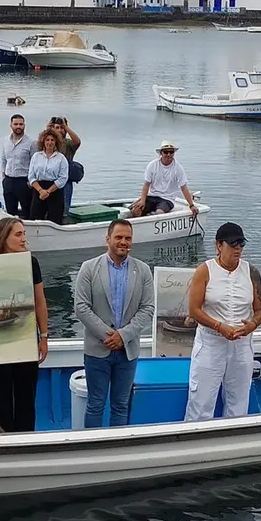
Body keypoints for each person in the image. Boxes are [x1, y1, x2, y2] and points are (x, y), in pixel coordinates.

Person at [74, 219, 155, 427]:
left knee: (121, 404)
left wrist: (124, 336)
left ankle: (117, 448)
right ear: (108, 239)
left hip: (127, 351)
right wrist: (108, 335)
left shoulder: (143, 270)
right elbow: (81, 307)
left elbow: (148, 309)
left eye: (128, 238)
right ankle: (92, 448)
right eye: (118, 237)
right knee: (95, 404)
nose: (123, 242)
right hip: (97, 351)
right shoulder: (89, 268)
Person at [183, 223, 261, 422]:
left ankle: (232, 444)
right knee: (201, 401)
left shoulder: (251, 272)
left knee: (238, 401)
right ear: (219, 245)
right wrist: (219, 327)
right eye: (233, 244)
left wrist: (251, 326)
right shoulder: (205, 270)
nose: (238, 248)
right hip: (211, 343)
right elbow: (193, 310)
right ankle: (195, 444)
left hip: (241, 343)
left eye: (241, 244)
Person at [0, 217, 50, 432]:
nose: (24, 239)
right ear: (4, 238)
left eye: (24, 234)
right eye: (18, 234)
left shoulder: (31, 262)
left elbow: (40, 301)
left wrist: (44, 336)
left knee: (26, 398)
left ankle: (25, 440)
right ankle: (3, 443)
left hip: (25, 338)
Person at [131, 140, 199, 217]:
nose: (168, 155)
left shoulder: (178, 168)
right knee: (136, 210)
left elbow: (183, 187)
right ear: (161, 153)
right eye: (166, 152)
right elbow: (146, 185)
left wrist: (191, 205)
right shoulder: (152, 165)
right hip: (152, 196)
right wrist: (143, 201)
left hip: (167, 199)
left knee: (159, 213)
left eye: (171, 152)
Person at [27, 127, 69, 224]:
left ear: (56, 142)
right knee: (35, 219)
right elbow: (31, 176)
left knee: (55, 220)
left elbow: (63, 178)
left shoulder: (61, 158)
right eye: (47, 140)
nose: (49, 142)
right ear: (43, 141)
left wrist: (48, 192)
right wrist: (41, 191)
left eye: (52, 140)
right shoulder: (36, 156)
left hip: (55, 191)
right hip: (38, 190)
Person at [1, 114, 37, 218]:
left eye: (21, 124)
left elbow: (34, 163)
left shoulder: (31, 143)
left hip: (24, 181)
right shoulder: (6, 141)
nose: (18, 126)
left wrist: (31, 182)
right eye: (15, 124)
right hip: (8, 181)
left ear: (24, 125)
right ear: (11, 125)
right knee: (10, 212)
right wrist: (3, 178)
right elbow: (4, 159)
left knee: (27, 210)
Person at [49, 116, 82, 216]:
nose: (60, 130)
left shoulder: (68, 144)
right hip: (50, 179)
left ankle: (64, 217)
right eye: (57, 127)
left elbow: (77, 142)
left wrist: (65, 126)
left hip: (65, 180)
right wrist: (48, 129)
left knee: (64, 208)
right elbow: (40, 143)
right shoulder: (49, 142)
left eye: (61, 128)